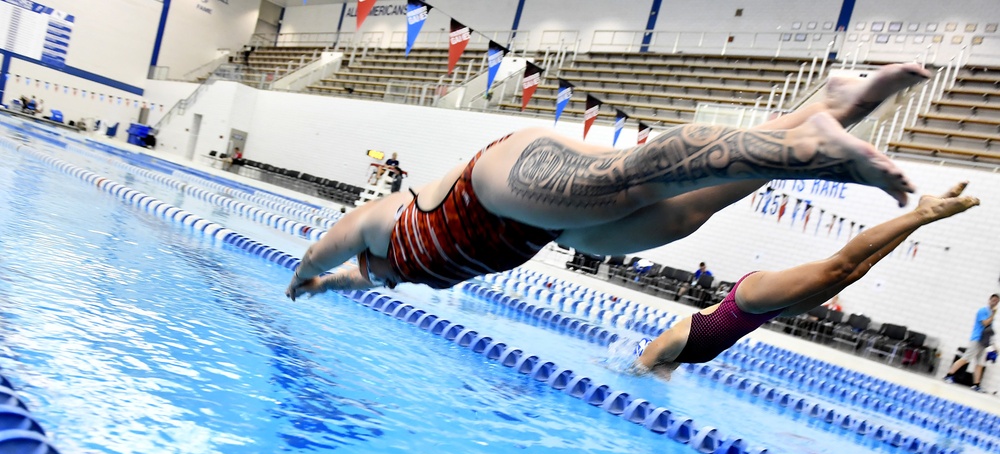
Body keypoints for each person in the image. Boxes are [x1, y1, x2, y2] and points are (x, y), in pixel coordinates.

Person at [286, 63, 927, 301]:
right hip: (543, 228)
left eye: (369, 272)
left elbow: (327, 249)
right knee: (682, 215)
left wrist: (301, 272)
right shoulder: (392, 271)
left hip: (494, 184)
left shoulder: (382, 223)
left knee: (633, 180)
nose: (371, 274)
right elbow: (350, 275)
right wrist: (319, 290)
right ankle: (832, 107)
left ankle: (810, 146)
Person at [636, 183, 979, 377]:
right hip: (768, 313)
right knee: (856, 272)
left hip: (747, 300)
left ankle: (922, 212)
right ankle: (921, 217)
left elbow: (635, 370)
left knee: (837, 266)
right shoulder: (671, 367)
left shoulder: (662, 347)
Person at [943, 293, 999, 391]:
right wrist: (993, 315)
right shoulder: (983, 311)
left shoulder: (990, 314)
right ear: (989, 300)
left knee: (980, 364)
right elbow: (985, 323)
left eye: (997, 301)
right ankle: (948, 375)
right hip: (977, 339)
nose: (995, 303)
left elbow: (989, 331)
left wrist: (994, 346)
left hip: (984, 342)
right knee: (966, 358)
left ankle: (976, 385)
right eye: (993, 300)